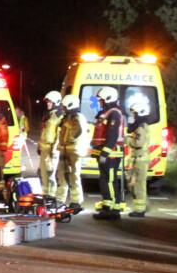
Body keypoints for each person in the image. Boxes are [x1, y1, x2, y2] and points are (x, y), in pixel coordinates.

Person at [90, 86, 127, 219]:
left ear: (107, 99)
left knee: (110, 181)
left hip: (111, 154)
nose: (99, 102)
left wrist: (105, 152)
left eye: (101, 100)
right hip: (106, 153)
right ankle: (107, 207)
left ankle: (113, 210)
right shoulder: (108, 113)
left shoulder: (114, 113)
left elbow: (112, 134)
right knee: (105, 180)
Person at [54, 94, 87, 211]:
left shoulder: (76, 117)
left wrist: (70, 139)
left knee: (73, 176)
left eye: (63, 106)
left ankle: (76, 201)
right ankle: (59, 199)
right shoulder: (68, 117)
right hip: (65, 150)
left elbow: (79, 130)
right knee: (61, 176)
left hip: (73, 151)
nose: (62, 108)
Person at [125, 92, 152, 218]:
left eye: (134, 113)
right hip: (137, 159)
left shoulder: (141, 127)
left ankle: (140, 210)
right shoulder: (139, 126)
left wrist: (127, 140)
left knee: (139, 185)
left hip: (140, 160)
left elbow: (138, 143)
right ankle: (139, 207)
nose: (133, 115)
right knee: (133, 184)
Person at [37, 91, 64, 200]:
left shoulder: (59, 115)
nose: (48, 104)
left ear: (56, 102)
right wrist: (39, 146)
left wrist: (55, 150)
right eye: (47, 102)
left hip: (52, 149)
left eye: (50, 102)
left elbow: (59, 133)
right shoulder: (48, 115)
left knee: (51, 174)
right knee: (43, 174)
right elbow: (44, 132)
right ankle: (45, 196)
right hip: (44, 149)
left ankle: (52, 196)